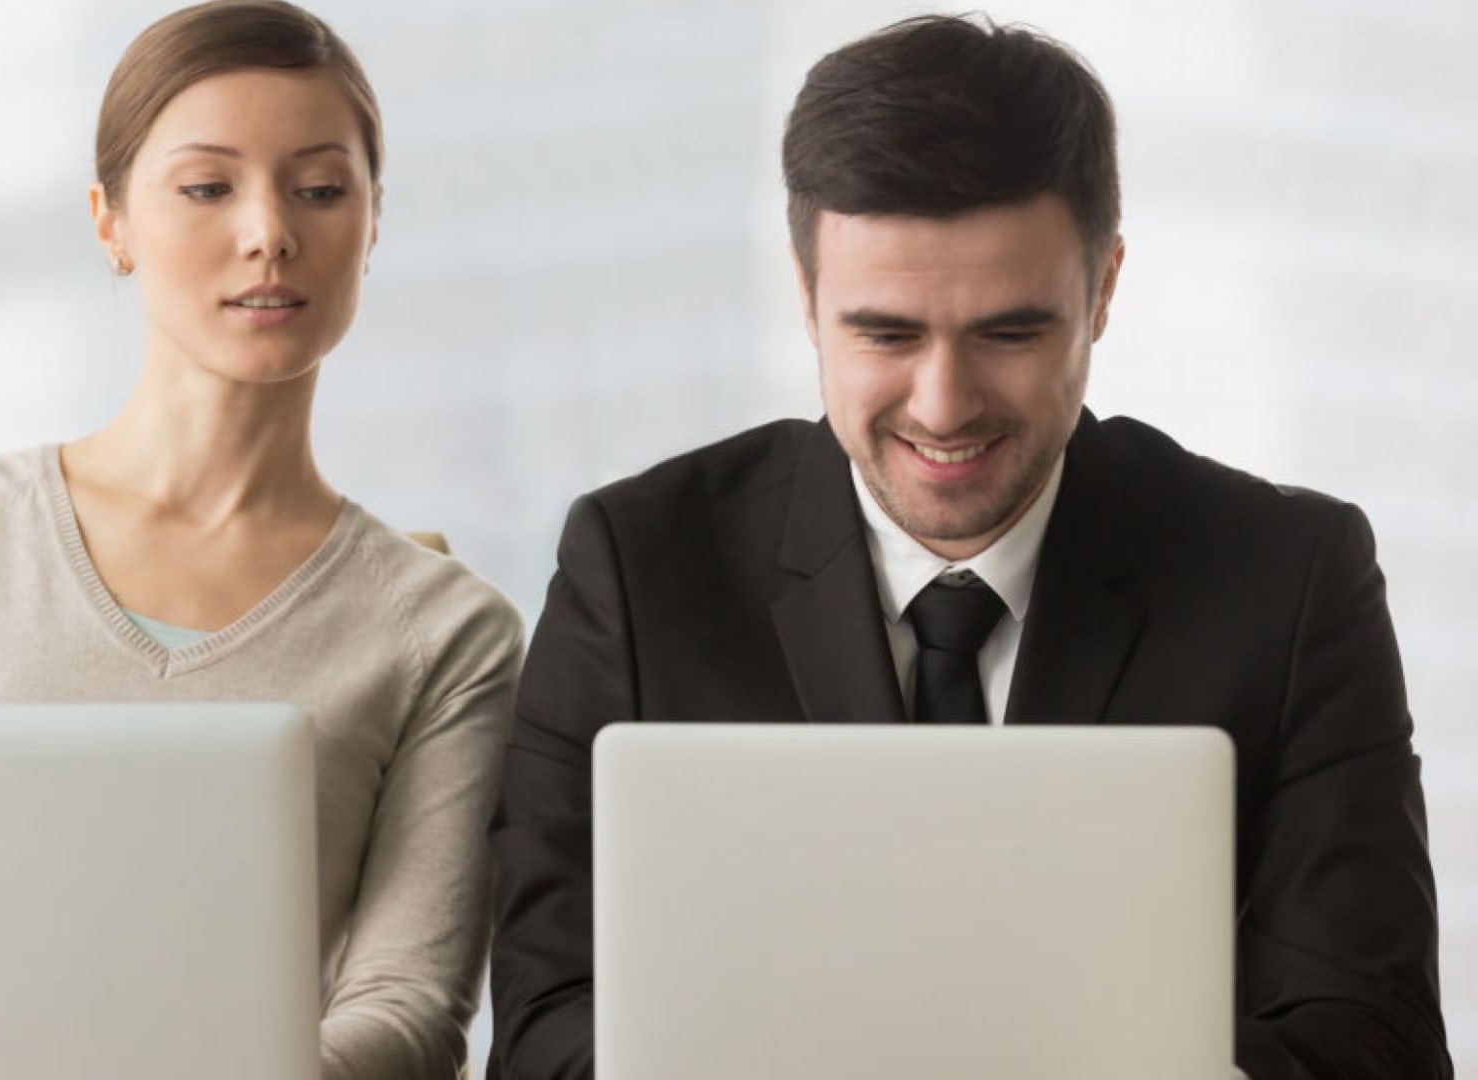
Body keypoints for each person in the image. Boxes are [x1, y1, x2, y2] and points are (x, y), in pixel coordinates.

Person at [487, 14, 1447, 1080]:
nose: (943, 407)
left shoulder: (1293, 577)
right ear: (806, 298)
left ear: (1106, 290)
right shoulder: (636, 566)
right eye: (886, 334)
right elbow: (544, 1031)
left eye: (1010, 332)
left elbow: (1377, 1042)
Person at [0, 3, 524, 1078]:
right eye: (208, 187)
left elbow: (409, 1010)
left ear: (373, 220)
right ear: (109, 220)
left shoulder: (447, 631)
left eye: (319, 188)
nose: (269, 232)